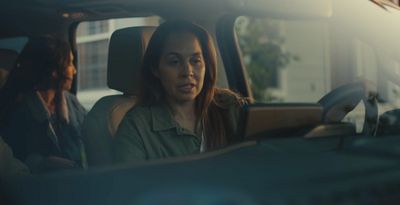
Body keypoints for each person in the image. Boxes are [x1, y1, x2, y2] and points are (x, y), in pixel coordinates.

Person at [113, 20, 247, 163]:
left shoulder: (228, 106)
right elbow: (130, 183)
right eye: (174, 62)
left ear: (206, 65)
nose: (187, 72)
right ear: (155, 69)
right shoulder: (137, 126)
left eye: (195, 61)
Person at [0, 36, 87, 173]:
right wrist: (43, 163)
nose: (74, 70)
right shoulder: (18, 110)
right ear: (54, 70)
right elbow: (10, 162)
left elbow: (89, 137)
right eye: (70, 63)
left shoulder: (72, 103)